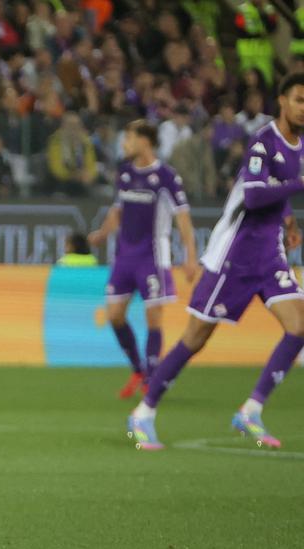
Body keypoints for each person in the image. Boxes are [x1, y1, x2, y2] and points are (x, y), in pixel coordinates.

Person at [128, 74, 304, 451]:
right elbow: (255, 197)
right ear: (282, 101)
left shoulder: (299, 146)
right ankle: (143, 413)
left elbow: (279, 188)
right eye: (299, 99)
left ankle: (251, 409)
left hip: (270, 253)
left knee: (299, 325)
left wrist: (289, 219)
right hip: (235, 256)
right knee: (195, 338)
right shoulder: (263, 141)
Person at [89, 120, 197, 398]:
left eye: (129, 138)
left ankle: (151, 379)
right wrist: (102, 233)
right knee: (114, 316)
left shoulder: (166, 177)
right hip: (124, 256)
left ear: (145, 141)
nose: (124, 143)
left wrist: (190, 256)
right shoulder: (124, 173)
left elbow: (183, 218)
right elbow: (117, 211)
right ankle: (138, 368)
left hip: (152, 257)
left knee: (154, 319)